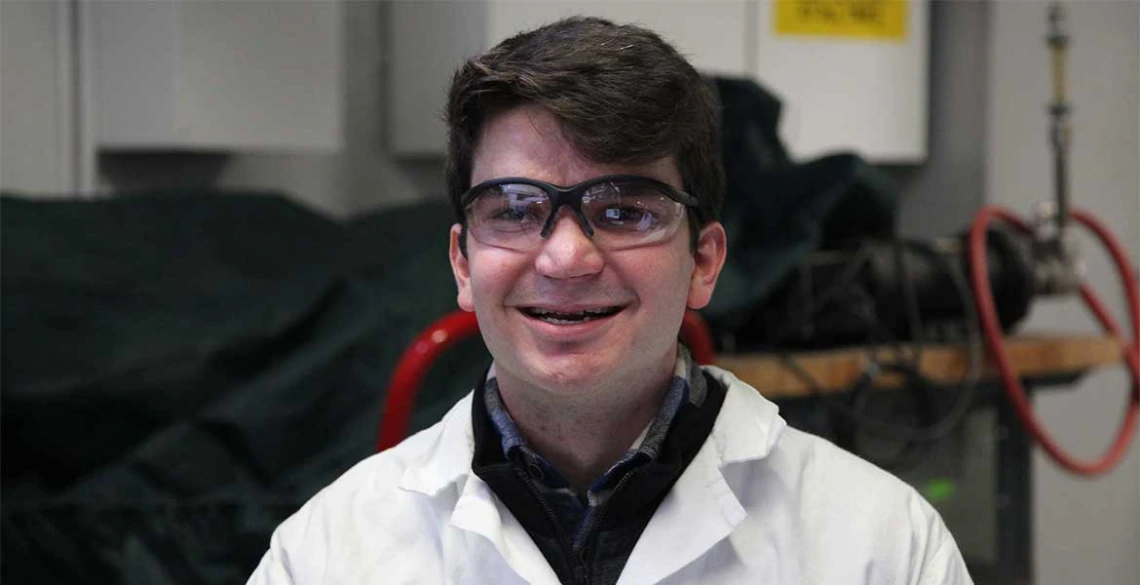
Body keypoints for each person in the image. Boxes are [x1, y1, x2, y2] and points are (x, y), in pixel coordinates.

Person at [248, 16, 971, 585]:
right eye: (516, 208)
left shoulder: (880, 547)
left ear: (704, 262)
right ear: (463, 262)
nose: (566, 257)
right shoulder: (330, 552)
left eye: (625, 210)